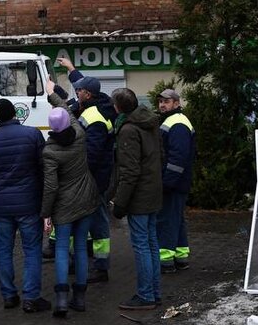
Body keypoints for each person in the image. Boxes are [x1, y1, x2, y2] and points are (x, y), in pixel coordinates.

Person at [0, 98, 48, 313]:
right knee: (31, 250)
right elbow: (43, 167)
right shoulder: (32, 135)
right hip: (29, 202)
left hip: (2, 206)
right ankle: (31, 297)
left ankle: (9, 295)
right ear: (15, 114)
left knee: (3, 251)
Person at [54, 57, 116, 283]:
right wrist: (70, 71)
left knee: (97, 220)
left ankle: (101, 266)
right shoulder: (93, 107)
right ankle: (75, 261)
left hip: (92, 179)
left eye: (78, 91)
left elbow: (92, 153)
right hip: (87, 178)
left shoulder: (94, 118)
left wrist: (76, 173)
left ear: (87, 95)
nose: (76, 94)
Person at [40, 106, 100, 317]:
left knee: (62, 249)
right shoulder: (80, 136)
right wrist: (53, 93)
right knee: (81, 248)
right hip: (86, 201)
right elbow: (71, 113)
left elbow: (51, 187)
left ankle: (62, 299)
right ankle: (80, 297)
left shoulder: (49, 152)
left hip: (63, 207)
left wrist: (46, 213)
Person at [111, 88, 163, 311]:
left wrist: (120, 203)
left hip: (140, 195)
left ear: (118, 107)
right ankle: (154, 292)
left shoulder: (129, 130)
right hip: (153, 190)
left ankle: (146, 295)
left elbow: (129, 171)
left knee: (142, 245)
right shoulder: (149, 123)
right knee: (151, 243)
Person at [156, 87, 196, 273]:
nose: (162, 105)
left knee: (166, 220)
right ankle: (181, 257)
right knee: (176, 220)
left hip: (173, 182)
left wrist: (167, 183)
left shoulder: (177, 122)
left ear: (177, 103)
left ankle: (165, 262)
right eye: (161, 102)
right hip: (178, 182)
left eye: (166, 101)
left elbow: (177, 157)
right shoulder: (175, 120)